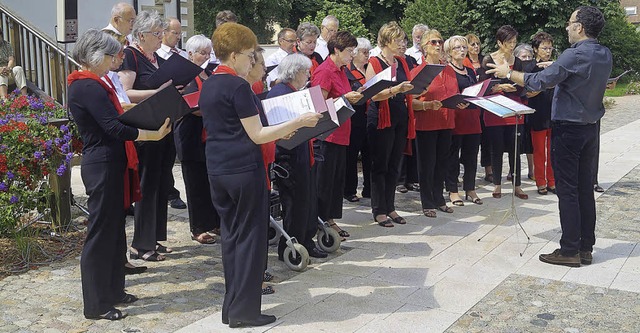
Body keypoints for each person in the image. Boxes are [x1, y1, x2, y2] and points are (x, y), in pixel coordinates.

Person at [200, 22, 320, 327]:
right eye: (250, 55)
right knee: (250, 240)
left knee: (232, 238)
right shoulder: (238, 86)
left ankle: (233, 307)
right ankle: (245, 312)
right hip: (243, 169)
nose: (253, 60)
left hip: (219, 168)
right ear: (236, 54)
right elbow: (257, 134)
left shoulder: (212, 82)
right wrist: (299, 122)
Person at [487, 6, 612, 267]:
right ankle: (585, 246)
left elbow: (538, 81)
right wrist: (555, 67)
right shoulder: (604, 53)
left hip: (568, 129)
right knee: (584, 189)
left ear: (579, 27)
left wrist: (506, 73)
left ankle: (569, 249)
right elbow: (571, 75)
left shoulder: (573, 54)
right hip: (590, 128)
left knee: (567, 191)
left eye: (570, 23)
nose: (567, 27)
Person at [68, 29, 171, 320]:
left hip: (112, 162)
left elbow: (116, 118)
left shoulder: (96, 83)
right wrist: (148, 135)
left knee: (114, 231)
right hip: (101, 163)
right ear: (96, 56)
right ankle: (96, 303)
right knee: (101, 233)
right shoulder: (86, 86)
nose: (116, 61)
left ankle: (114, 291)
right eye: (113, 56)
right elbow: (112, 127)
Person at [118, 10, 174, 261]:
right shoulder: (131, 56)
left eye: (162, 32)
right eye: (156, 33)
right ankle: (141, 244)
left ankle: (155, 238)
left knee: (162, 184)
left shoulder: (155, 58)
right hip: (146, 129)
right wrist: (158, 93)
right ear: (141, 34)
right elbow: (126, 93)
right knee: (147, 186)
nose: (161, 37)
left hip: (162, 127)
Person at [269, 54, 328, 259]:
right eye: (306, 72)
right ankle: (291, 246)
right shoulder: (280, 92)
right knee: (295, 203)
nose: (309, 75)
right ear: (295, 73)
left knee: (307, 200)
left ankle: (306, 240)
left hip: (302, 152)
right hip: (289, 157)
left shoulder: (295, 91)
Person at [366, 22, 421, 227]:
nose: (402, 44)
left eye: (403, 40)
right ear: (386, 41)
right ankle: (379, 209)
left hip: (400, 115)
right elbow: (371, 93)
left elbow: (408, 88)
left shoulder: (402, 61)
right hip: (381, 116)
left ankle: (390, 206)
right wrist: (395, 90)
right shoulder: (374, 62)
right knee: (380, 165)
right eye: (398, 40)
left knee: (394, 165)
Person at [101, 29, 147, 275]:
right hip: (111, 150)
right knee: (113, 211)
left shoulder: (113, 78)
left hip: (124, 145)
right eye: (118, 53)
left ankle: (121, 260)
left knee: (121, 208)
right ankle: (115, 264)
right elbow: (118, 108)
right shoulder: (97, 81)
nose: (122, 58)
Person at [312, 31, 363, 238]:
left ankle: (329, 219)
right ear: (336, 50)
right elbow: (317, 105)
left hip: (341, 133)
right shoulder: (324, 71)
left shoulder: (341, 70)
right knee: (325, 183)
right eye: (349, 51)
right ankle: (321, 221)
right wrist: (344, 98)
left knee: (335, 182)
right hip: (327, 135)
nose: (352, 55)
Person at [173, 34, 219, 245]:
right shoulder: (182, 75)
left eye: (208, 52)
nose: (205, 56)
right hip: (190, 133)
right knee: (195, 183)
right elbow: (187, 104)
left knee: (209, 181)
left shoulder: (209, 73)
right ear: (190, 53)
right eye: (202, 52)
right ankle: (198, 227)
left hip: (207, 134)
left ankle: (213, 222)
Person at [480, 25, 528, 200]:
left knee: (515, 149)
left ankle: (517, 185)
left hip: (514, 108)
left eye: (514, 41)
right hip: (495, 109)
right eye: (509, 42)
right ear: (499, 42)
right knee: (496, 149)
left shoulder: (518, 61)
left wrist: (514, 86)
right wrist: (499, 86)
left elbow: (523, 83)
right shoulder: (488, 59)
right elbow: (482, 86)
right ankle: (497, 184)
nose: (512, 45)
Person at [413, 29, 454, 217]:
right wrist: (427, 105)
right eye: (433, 42)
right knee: (427, 165)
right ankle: (427, 201)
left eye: (440, 42)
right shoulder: (418, 71)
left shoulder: (449, 70)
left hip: (446, 122)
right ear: (424, 48)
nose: (438, 45)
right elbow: (410, 101)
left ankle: (439, 198)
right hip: (426, 124)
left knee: (442, 164)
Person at [443, 36, 483, 206]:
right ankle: (453, 190)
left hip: (472, 118)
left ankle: (470, 188)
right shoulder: (446, 70)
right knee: (453, 156)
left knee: (471, 156)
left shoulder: (470, 70)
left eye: (463, 47)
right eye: (457, 48)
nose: (461, 50)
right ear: (449, 52)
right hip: (456, 118)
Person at [155, 17, 189, 210]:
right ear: (165, 33)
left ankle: (169, 190)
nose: (177, 37)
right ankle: (169, 192)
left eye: (179, 33)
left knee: (173, 152)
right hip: (164, 106)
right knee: (164, 152)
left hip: (181, 106)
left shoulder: (182, 54)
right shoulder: (159, 54)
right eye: (174, 33)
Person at [526, 32, 556, 195]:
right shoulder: (530, 67)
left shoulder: (554, 66)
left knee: (553, 151)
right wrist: (542, 87)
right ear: (536, 49)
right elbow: (527, 91)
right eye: (544, 48)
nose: (548, 51)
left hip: (554, 113)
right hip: (538, 113)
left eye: (550, 48)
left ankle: (552, 181)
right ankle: (540, 181)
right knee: (539, 151)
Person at [344, 37, 372, 202]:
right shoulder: (348, 71)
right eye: (363, 52)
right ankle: (349, 190)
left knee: (370, 155)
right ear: (354, 54)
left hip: (369, 116)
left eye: (368, 52)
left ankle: (369, 189)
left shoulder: (369, 69)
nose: (367, 55)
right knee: (352, 155)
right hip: (355, 118)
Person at [464, 33, 491, 182]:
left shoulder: (484, 61)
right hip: (471, 105)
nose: (476, 47)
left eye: (477, 44)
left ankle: (489, 169)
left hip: (484, 103)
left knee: (487, 139)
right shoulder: (464, 62)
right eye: (472, 44)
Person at [514, 43, 535, 181]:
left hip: (533, 108)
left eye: (529, 56)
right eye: (523, 56)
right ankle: (513, 170)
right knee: (515, 141)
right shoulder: (514, 71)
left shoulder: (534, 69)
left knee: (530, 142)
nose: (526, 59)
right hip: (518, 106)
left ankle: (531, 170)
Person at [0, 27, 27, 99]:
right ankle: (4, 100)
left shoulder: (7, 45)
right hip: (1, 72)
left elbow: (11, 59)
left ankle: (24, 98)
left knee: (18, 69)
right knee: (2, 75)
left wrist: (8, 68)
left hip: (7, 70)